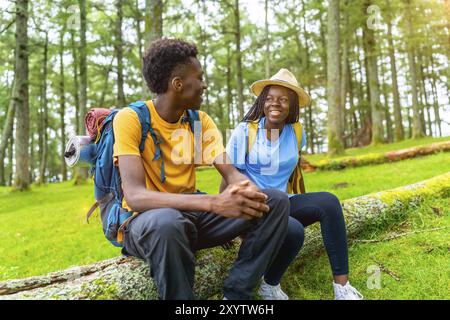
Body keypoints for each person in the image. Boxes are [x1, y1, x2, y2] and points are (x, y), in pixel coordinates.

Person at [112, 38, 290, 300]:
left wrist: (246, 190)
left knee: (274, 200)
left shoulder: (198, 121)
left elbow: (230, 173)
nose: (204, 85)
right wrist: (213, 203)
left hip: (192, 217)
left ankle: (237, 294)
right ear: (178, 84)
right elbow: (136, 196)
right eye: (200, 77)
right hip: (146, 223)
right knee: (167, 222)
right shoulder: (131, 119)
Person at [224, 68, 363, 300]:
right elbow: (228, 174)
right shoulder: (245, 131)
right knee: (293, 230)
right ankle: (268, 283)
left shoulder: (297, 132)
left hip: (283, 201)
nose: (274, 104)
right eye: (269, 99)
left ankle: (342, 288)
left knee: (329, 201)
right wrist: (226, 222)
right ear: (262, 102)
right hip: (253, 207)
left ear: (292, 105)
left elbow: (293, 170)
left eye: (282, 99)